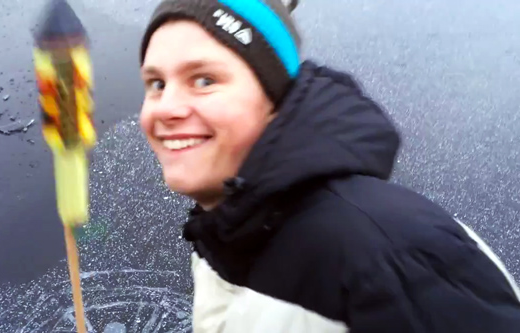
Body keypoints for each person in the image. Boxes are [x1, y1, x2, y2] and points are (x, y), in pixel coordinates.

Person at [137, 0, 520, 331]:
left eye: (204, 80)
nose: (166, 108)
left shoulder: (393, 257)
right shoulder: (231, 228)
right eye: (156, 83)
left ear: (275, 98)